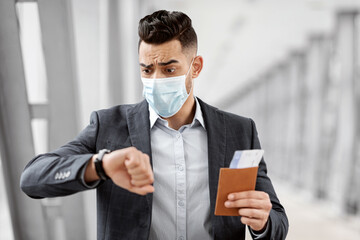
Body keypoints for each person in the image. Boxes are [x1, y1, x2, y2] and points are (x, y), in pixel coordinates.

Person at [20, 10, 288, 240]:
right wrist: (100, 165)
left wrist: (263, 222)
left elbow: (278, 221)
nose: (156, 79)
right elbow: (32, 178)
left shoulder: (239, 131)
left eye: (169, 70)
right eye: (147, 70)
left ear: (195, 67)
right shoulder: (109, 126)